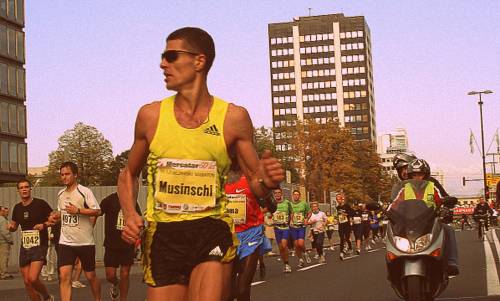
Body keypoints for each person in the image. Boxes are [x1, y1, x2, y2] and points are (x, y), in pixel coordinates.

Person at [117, 27, 284, 301]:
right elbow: (128, 174)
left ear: (199, 61)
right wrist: (130, 213)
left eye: (171, 56)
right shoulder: (150, 116)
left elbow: (256, 182)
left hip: (211, 228)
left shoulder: (233, 118)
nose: (162, 63)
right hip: (164, 235)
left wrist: (268, 180)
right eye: (163, 57)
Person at [390, 159, 459, 276]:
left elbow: (443, 198)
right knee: (392, 232)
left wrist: (446, 205)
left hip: (430, 222)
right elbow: (394, 204)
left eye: (420, 174)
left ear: (425, 175)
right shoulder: (404, 189)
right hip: (409, 223)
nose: (417, 177)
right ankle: (394, 266)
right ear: (410, 176)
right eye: (414, 175)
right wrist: (388, 212)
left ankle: (451, 262)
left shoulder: (432, 187)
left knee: (448, 230)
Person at [49, 161, 102, 301]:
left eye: (67, 174)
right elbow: (63, 213)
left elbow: (97, 211)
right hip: (66, 242)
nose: (64, 177)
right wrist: (56, 217)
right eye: (62, 175)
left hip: (85, 242)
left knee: (90, 276)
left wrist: (78, 210)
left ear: (75, 175)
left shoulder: (84, 191)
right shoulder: (60, 194)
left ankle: (98, 298)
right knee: (64, 276)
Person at [224, 165, 275, 301]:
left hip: (250, 233)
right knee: (227, 292)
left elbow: (272, 206)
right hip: (226, 235)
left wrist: (266, 189)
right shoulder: (218, 178)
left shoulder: (251, 179)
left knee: (242, 288)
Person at [7, 179, 55, 301]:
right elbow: (14, 226)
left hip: (40, 244)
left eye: (26, 187)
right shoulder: (17, 208)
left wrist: (43, 225)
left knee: (33, 278)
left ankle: (47, 297)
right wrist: (11, 227)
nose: (24, 189)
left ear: (30, 189)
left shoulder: (40, 204)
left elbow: (54, 219)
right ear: (18, 190)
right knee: (27, 282)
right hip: (26, 246)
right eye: (21, 187)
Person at [100, 192, 141, 301]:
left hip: (127, 244)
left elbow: (138, 221)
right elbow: (97, 212)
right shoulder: (109, 200)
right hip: (111, 244)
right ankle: (116, 284)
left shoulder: (132, 202)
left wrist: (137, 239)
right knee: (110, 276)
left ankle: (123, 299)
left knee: (125, 274)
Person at [271, 188, 292, 273]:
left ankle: (287, 264)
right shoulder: (272, 203)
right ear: (274, 194)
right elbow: (268, 213)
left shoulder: (287, 203)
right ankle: (285, 263)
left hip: (285, 227)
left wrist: (290, 221)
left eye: (279, 193)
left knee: (284, 245)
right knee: (280, 248)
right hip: (276, 228)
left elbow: (291, 213)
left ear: (281, 193)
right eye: (275, 193)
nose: (277, 194)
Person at [289, 190, 311, 268]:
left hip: (301, 226)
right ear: (292, 195)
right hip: (293, 226)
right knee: (296, 245)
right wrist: (290, 220)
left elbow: (309, 212)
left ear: (299, 196)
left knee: (300, 243)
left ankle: (305, 252)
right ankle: (300, 260)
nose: (296, 196)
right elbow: (287, 213)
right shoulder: (290, 204)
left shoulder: (304, 203)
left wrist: (306, 219)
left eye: (297, 194)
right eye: (294, 194)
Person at [336, 196, 353, 260]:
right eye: (337, 199)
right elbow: (339, 215)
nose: (338, 201)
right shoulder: (337, 207)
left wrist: (343, 213)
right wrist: (337, 219)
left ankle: (350, 247)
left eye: (339, 199)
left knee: (347, 238)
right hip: (341, 224)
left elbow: (351, 213)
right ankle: (341, 253)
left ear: (341, 200)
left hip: (347, 224)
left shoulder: (347, 206)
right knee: (342, 239)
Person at [0, 205, 14, 280]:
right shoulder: (2, 220)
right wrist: (10, 240)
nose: (6, 212)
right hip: (3, 242)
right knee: (4, 258)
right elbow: (4, 232)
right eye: (4, 211)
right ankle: (4, 274)